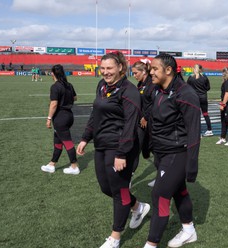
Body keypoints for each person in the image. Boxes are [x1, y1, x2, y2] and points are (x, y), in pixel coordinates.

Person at [76, 51, 150, 248]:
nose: (105, 72)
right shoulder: (101, 86)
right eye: (102, 68)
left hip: (119, 147)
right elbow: (95, 114)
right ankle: (138, 206)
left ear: (120, 68)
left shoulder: (129, 90)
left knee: (119, 190)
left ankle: (115, 237)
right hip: (101, 145)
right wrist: (85, 138)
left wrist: (121, 153)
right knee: (106, 188)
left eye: (109, 68)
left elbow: (130, 124)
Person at [142, 54, 201, 248]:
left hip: (177, 153)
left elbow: (194, 132)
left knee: (159, 196)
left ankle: (151, 244)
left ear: (168, 70)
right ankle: (189, 230)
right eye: (150, 69)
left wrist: (192, 165)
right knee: (179, 191)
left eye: (154, 69)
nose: (151, 72)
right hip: (161, 152)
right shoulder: (157, 89)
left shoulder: (186, 94)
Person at [41, 64, 80, 175]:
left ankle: (74, 166)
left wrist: (49, 118)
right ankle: (52, 164)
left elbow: (54, 104)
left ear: (53, 73)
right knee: (58, 141)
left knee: (67, 142)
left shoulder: (55, 86)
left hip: (60, 118)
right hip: (69, 116)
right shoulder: (69, 85)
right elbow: (75, 98)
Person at [132, 60, 156, 187]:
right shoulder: (139, 85)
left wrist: (146, 117)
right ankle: (129, 178)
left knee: (157, 150)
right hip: (141, 124)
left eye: (136, 73)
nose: (134, 75)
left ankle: (161, 177)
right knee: (135, 149)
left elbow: (155, 104)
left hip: (151, 123)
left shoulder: (152, 84)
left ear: (144, 72)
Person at [187, 64, 213, 136]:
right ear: (200, 69)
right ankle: (209, 129)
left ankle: (196, 131)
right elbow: (208, 88)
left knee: (195, 115)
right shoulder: (204, 77)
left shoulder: (191, 78)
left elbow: (187, 88)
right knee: (205, 114)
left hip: (194, 98)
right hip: (203, 97)